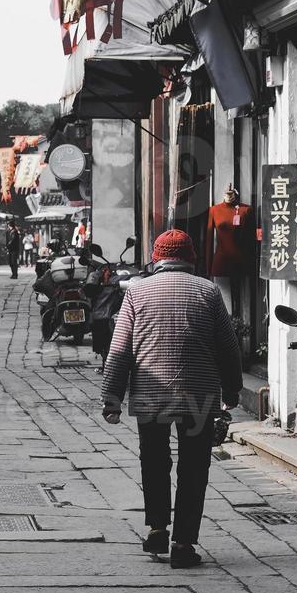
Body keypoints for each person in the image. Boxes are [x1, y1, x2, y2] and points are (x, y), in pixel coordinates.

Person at [101, 230, 242, 569]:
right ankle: (183, 544)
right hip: (200, 394)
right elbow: (228, 345)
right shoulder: (208, 291)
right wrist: (233, 388)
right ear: (190, 257)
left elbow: (119, 350)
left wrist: (112, 396)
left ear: (156, 257)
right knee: (194, 467)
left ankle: (157, 528)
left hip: (151, 396)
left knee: (153, 461)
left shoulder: (136, 291)